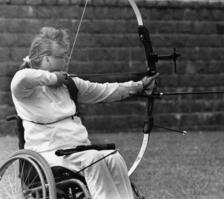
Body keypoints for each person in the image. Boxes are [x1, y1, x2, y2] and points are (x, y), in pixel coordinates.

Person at [10, 27, 158, 199]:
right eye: (61, 56)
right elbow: (22, 77)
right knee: (93, 158)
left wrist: (139, 86)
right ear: (46, 59)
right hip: (49, 155)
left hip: (79, 150)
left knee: (113, 158)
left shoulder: (69, 84)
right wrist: (54, 78)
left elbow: (106, 91)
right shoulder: (25, 89)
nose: (66, 59)